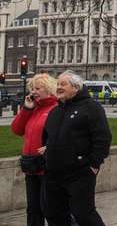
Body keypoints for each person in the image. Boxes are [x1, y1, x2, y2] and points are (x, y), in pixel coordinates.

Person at [43, 71, 111, 226]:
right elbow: (48, 136)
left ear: (76, 87)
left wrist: (94, 165)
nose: (58, 87)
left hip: (80, 172)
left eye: (63, 84)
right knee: (53, 214)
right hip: (53, 173)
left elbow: (102, 138)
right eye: (58, 84)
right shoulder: (56, 110)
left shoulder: (92, 108)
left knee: (83, 214)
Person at [11, 74, 61, 226]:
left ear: (48, 89)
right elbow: (17, 130)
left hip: (48, 167)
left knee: (50, 209)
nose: (33, 92)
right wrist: (26, 109)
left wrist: (50, 147)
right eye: (32, 88)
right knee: (33, 209)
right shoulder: (33, 108)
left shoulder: (56, 109)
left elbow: (64, 135)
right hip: (31, 166)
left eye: (38, 88)